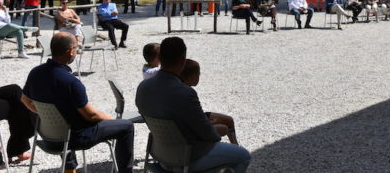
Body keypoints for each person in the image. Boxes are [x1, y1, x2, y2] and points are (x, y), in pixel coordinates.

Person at [22, 32, 134, 173]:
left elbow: (24, 99)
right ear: (70, 51)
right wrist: (110, 119)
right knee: (126, 126)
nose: (77, 50)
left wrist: (45, 115)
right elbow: (91, 116)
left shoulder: (35, 73)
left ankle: (70, 169)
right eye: (76, 47)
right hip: (76, 138)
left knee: (65, 115)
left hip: (48, 135)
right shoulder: (71, 82)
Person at [135, 37, 251, 173]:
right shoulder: (185, 93)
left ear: (160, 58)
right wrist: (219, 128)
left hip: (159, 154)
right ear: (183, 61)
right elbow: (208, 135)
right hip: (187, 158)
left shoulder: (143, 87)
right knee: (243, 156)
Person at [180, 59, 239, 145]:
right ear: (192, 76)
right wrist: (212, 122)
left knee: (229, 120)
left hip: (197, 118)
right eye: (198, 74)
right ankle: (234, 150)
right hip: (194, 126)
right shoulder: (188, 93)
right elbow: (195, 122)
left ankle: (236, 146)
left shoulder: (183, 89)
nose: (200, 75)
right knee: (224, 127)